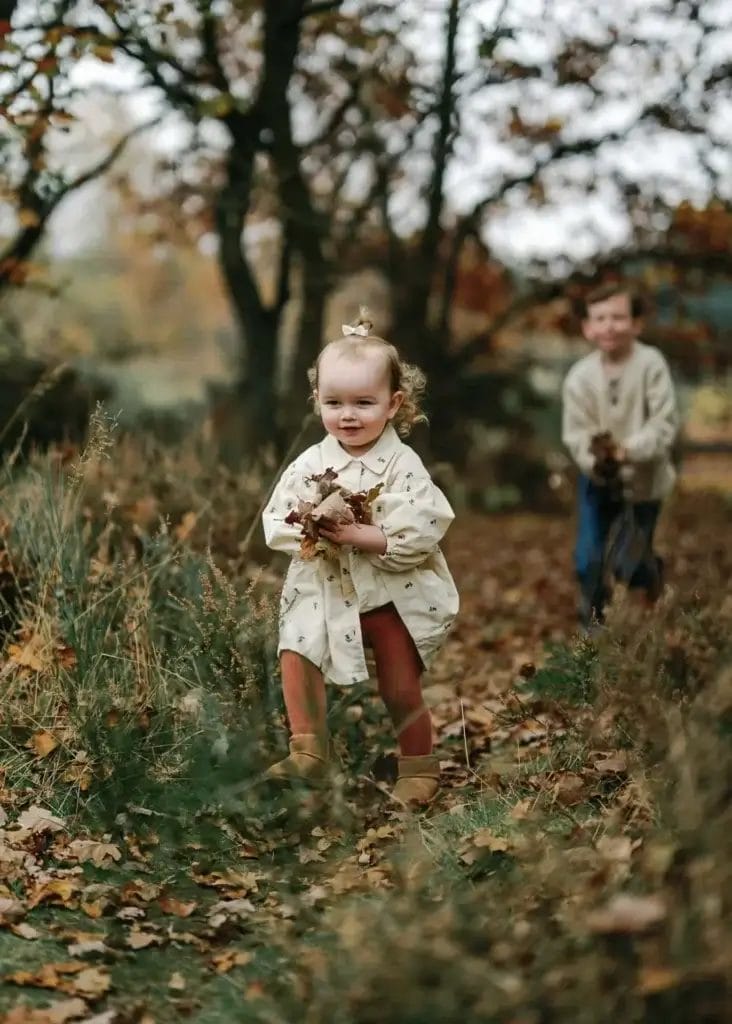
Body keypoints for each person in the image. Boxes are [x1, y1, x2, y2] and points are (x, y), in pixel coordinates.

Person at [262, 310, 459, 805]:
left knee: (398, 681)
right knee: (297, 652)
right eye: (334, 402)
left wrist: (360, 534)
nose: (347, 415)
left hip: (387, 594)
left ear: (394, 405)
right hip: (325, 588)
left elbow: (423, 527)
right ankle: (308, 750)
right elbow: (275, 518)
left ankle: (417, 763)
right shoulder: (310, 462)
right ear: (317, 401)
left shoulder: (400, 464)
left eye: (363, 403)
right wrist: (306, 524)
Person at [562, 283, 678, 627]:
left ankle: (649, 574)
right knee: (588, 559)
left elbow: (664, 425)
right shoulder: (579, 377)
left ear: (636, 324)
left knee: (629, 563)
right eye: (600, 318)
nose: (609, 325)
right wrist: (596, 459)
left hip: (645, 481)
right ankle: (593, 626)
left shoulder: (651, 365)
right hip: (598, 480)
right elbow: (576, 433)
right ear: (587, 327)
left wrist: (629, 450)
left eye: (618, 317)